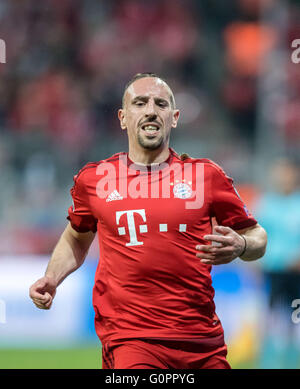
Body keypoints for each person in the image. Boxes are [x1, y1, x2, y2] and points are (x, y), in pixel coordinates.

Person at [29, 73, 267, 369]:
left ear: (175, 117)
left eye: (161, 104)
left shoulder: (206, 177)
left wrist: (242, 244)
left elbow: (258, 237)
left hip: (203, 342)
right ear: (123, 117)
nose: (151, 110)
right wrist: (52, 277)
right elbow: (75, 238)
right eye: (140, 103)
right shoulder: (95, 180)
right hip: (131, 340)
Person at [256, 158, 300, 369]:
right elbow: (257, 235)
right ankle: (269, 355)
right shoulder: (267, 203)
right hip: (273, 269)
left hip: (296, 271)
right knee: (270, 313)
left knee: (295, 313)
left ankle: (293, 354)